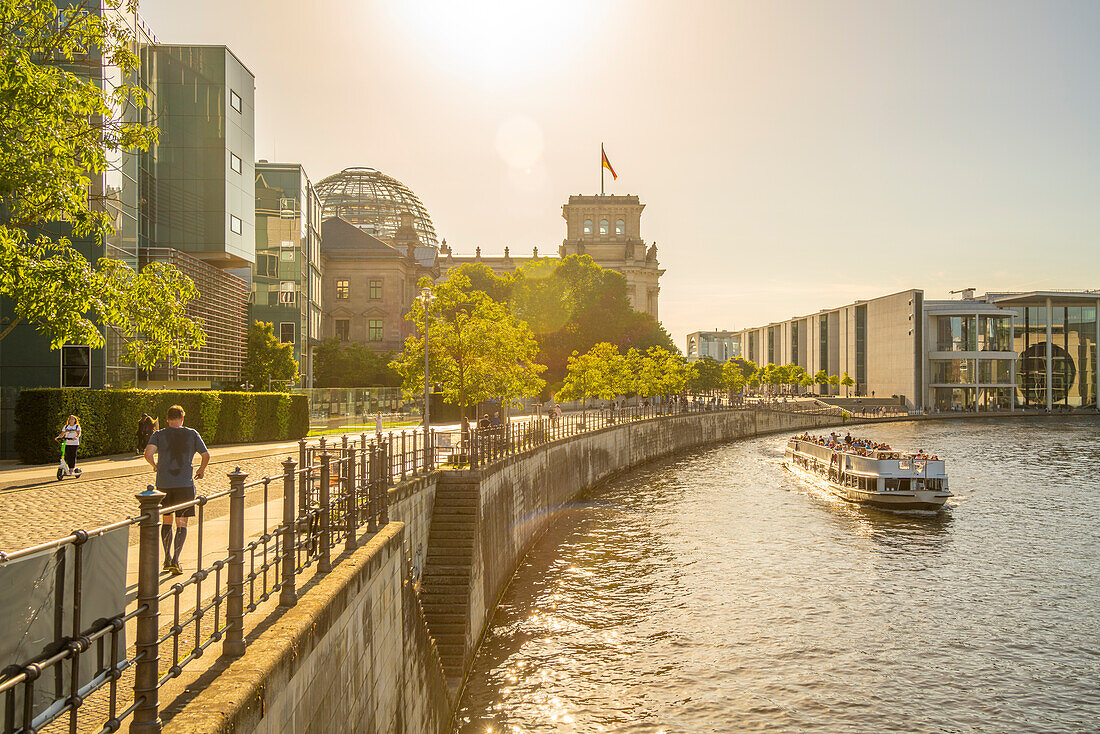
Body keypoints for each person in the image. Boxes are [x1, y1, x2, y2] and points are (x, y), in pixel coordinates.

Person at [144, 405, 210, 576]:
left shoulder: (158, 434)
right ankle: (175, 560)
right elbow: (206, 455)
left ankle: (166, 558)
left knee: (167, 521)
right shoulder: (192, 433)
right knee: (182, 523)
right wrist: (201, 470)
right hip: (185, 485)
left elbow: (148, 453)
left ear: (167, 419)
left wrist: (155, 466)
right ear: (182, 419)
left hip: (164, 484)